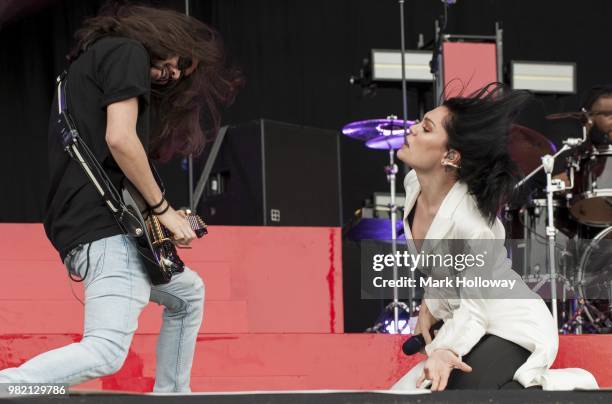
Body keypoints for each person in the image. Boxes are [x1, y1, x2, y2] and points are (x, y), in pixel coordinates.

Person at [0, 4, 241, 392]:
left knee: (188, 295)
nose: (174, 74)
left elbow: (107, 160)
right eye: (179, 61)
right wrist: (162, 208)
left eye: (182, 73)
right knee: (107, 350)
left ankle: (173, 395)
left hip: (91, 223)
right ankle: (8, 388)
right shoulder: (128, 52)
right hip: (102, 228)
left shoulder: (90, 65)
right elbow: (121, 139)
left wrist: (156, 215)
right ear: (165, 38)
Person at [391, 84, 598, 391]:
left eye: (426, 128)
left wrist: (446, 350)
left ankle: (568, 384)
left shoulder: (472, 223)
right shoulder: (413, 184)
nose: (412, 130)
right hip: (468, 321)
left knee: (460, 394)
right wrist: (428, 307)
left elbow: (476, 306)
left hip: (511, 324)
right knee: (406, 394)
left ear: (449, 156)